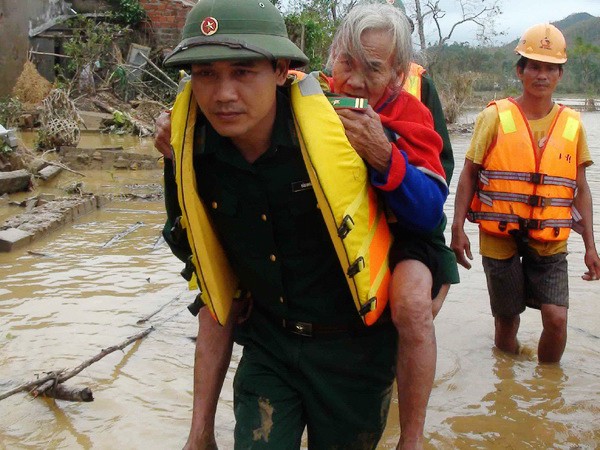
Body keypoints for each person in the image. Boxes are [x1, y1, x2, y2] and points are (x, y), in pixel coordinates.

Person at [156, 3, 453, 449]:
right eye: (205, 74)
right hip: (270, 345)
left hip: (354, 352)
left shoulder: (369, 132)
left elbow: (429, 214)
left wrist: (434, 261)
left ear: (280, 70)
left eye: (242, 71)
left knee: (412, 306)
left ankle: (411, 439)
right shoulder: (191, 144)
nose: (223, 94)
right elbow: (197, 256)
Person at [451, 23, 600, 364]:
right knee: (507, 321)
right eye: (534, 66)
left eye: (550, 68)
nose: (541, 75)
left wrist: (591, 246)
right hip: (499, 232)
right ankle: (507, 394)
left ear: (560, 75)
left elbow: (581, 189)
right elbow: (469, 174)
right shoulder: (493, 117)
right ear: (520, 71)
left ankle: (547, 389)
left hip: (550, 237)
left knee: (557, 319)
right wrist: (457, 228)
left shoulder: (573, 125)